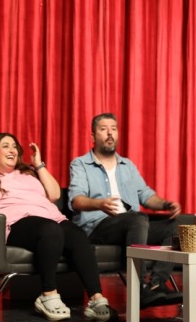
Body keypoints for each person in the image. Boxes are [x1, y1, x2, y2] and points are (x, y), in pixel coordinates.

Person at [0, 132, 112, 322]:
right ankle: (48, 295)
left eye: (15, 147)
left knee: (77, 235)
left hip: (50, 218)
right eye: (6, 146)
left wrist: (39, 165)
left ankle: (96, 298)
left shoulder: (28, 175)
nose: (12, 150)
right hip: (16, 222)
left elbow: (54, 194)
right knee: (50, 230)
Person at [68, 112, 183, 307]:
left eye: (113, 129)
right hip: (98, 227)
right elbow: (76, 200)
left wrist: (165, 204)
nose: (110, 133)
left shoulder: (127, 165)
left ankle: (156, 284)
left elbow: (146, 195)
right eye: (103, 129)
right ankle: (139, 289)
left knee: (175, 227)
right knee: (137, 218)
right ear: (93, 136)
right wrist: (99, 204)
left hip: (133, 225)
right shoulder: (81, 164)